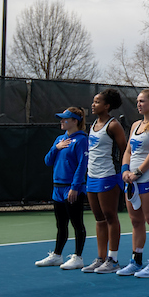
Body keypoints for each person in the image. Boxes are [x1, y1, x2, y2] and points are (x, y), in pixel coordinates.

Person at [117, 89, 149, 278]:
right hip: (131, 180)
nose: (138, 104)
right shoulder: (135, 125)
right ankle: (136, 261)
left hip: (148, 179)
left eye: (142, 101)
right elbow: (128, 151)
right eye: (137, 101)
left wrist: (138, 172)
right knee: (136, 221)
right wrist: (125, 170)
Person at [82, 89, 128, 273]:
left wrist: (123, 171)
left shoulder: (113, 125)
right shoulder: (93, 124)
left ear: (107, 106)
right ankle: (100, 258)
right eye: (93, 101)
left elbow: (125, 150)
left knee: (110, 216)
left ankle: (113, 259)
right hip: (91, 177)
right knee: (99, 218)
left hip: (108, 176)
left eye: (97, 102)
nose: (93, 105)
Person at [38, 107, 89, 270]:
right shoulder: (59, 139)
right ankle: (57, 255)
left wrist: (75, 187)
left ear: (75, 121)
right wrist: (56, 147)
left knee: (76, 223)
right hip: (57, 188)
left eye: (65, 119)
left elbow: (82, 165)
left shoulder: (82, 140)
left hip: (72, 189)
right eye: (61, 118)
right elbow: (47, 161)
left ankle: (78, 257)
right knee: (61, 224)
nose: (62, 121)